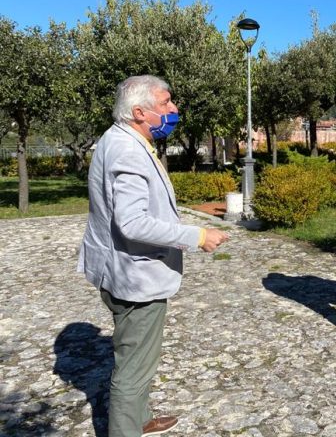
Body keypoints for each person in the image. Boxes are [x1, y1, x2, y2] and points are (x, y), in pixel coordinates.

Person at [77, 75, 229, 436]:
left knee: (136, 354)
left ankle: (140, 418)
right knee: (134, 368)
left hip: (118, 269)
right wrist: (198, 235)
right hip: (135, 277)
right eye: (166, 103)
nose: (174, 109)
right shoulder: (127, 150)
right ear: (140, 111)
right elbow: (133, 224)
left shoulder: (119, 139)